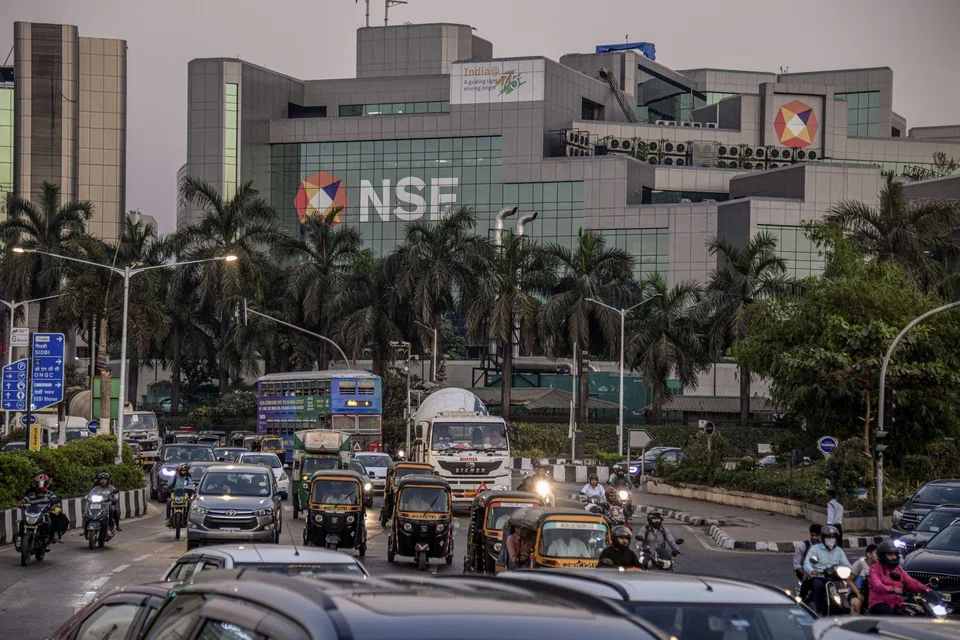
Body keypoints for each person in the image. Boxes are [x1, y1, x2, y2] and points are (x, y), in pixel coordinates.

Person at [802, 525, 857, 615]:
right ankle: (819, 612)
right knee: (817, 586)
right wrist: (812, 570)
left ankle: (847, 607)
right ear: (823, 538)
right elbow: (807, 563)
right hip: (819, 576)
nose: (831, 539)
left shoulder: (839, 551)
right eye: (828, 537)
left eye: (833, 537)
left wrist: (854, 571)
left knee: (847, 586)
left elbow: (847, 564)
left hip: (835, 576)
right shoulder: (815, 549)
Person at [868, 540, 931, 615]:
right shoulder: (875, 569)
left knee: (917, 615)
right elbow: (877, 585)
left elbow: (912, 582)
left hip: (897, 603)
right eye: (890, 555)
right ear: (882, 555)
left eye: (895, 554)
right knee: (890, 618)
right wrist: (894, 590)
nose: (893, 557)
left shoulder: (898, 570)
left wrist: (928, 590)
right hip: (879, 602)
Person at [18, 474, 66, 551]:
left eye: (42, 483)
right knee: (22, 523)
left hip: (43, 514)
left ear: (46, 484)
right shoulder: (31, 494)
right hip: (32, 514)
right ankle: (22, 539)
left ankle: (46, 541)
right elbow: (24, 500)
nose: (40, 485)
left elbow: (55, 501)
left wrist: (54, 506)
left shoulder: (49, 493)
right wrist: (21, 503)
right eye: (39, 483)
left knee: (48, 522)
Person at [793, 524, 822, 600]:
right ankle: (801, 600)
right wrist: (805, 573)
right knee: (808, 579)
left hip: (820, 572)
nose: (814, 538)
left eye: (817, 535)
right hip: (804, 571)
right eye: (813, 535)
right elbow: (797, 565)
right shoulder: (803, 546)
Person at [849, 544, 879, 614]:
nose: (879, 556)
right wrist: (858, 593)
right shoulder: (860, 564)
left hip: (872, 594)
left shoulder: (879, 566)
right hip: (856, 592)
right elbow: (849, 580)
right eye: (877, 554)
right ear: (869, 554)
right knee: (856, 604)